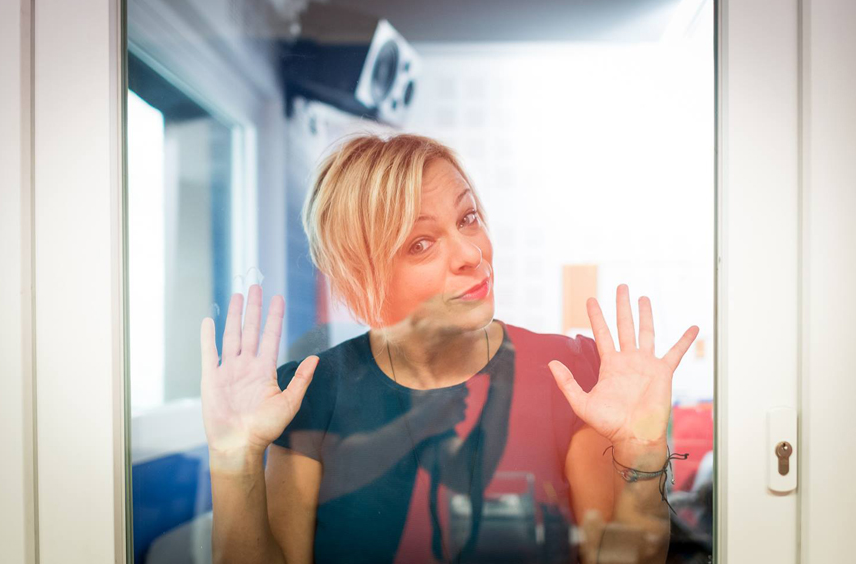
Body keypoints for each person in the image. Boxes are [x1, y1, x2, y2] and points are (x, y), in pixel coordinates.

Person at [200, 133, 699, 564]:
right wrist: (234, 460)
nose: (471, 253)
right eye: (421, 243)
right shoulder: (313, 392)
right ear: (363, 278)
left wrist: (642, 454)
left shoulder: (567, 373)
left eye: (468, 217)